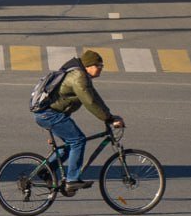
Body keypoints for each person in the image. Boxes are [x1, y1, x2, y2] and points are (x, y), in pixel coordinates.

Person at [35, 49, 124, 193]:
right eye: (99, 65)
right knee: (78, 140)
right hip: (50, 115)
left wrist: (110, 116)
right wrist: (108, 118)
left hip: (50, 114)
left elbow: (95, 98)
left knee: (71, 144)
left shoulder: (82, 76)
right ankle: (72, 180)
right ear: (89, 65)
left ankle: (45, 170)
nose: (101, 69)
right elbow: (89, 101)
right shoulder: (79, 77)